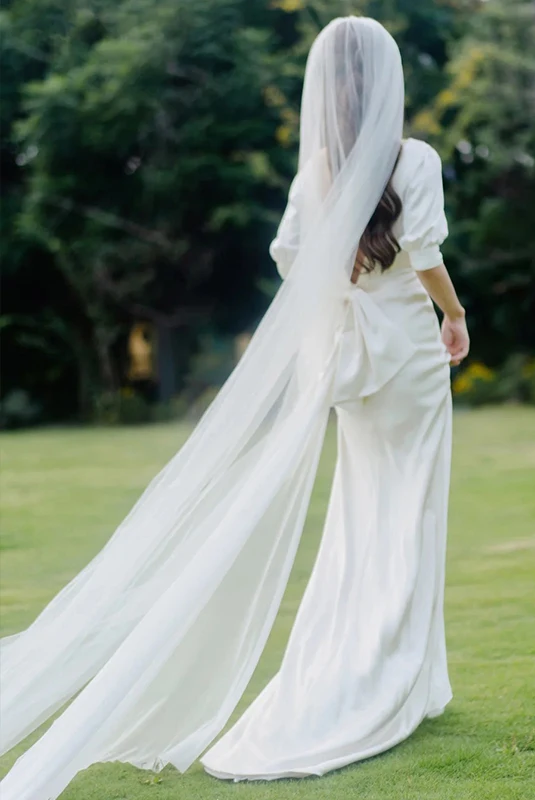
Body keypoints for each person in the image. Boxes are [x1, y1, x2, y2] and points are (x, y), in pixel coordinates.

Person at [0, 17, 468, 797]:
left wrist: (343, 295)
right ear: (387, 79)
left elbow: (291, 256)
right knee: (410, 511)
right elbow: (425, 250)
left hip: (350, 357)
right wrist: (453, 315)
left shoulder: (320, 168)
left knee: (363, 512)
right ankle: (391, 685)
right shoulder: (413, 157)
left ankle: (411, 683)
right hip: (410, 356)